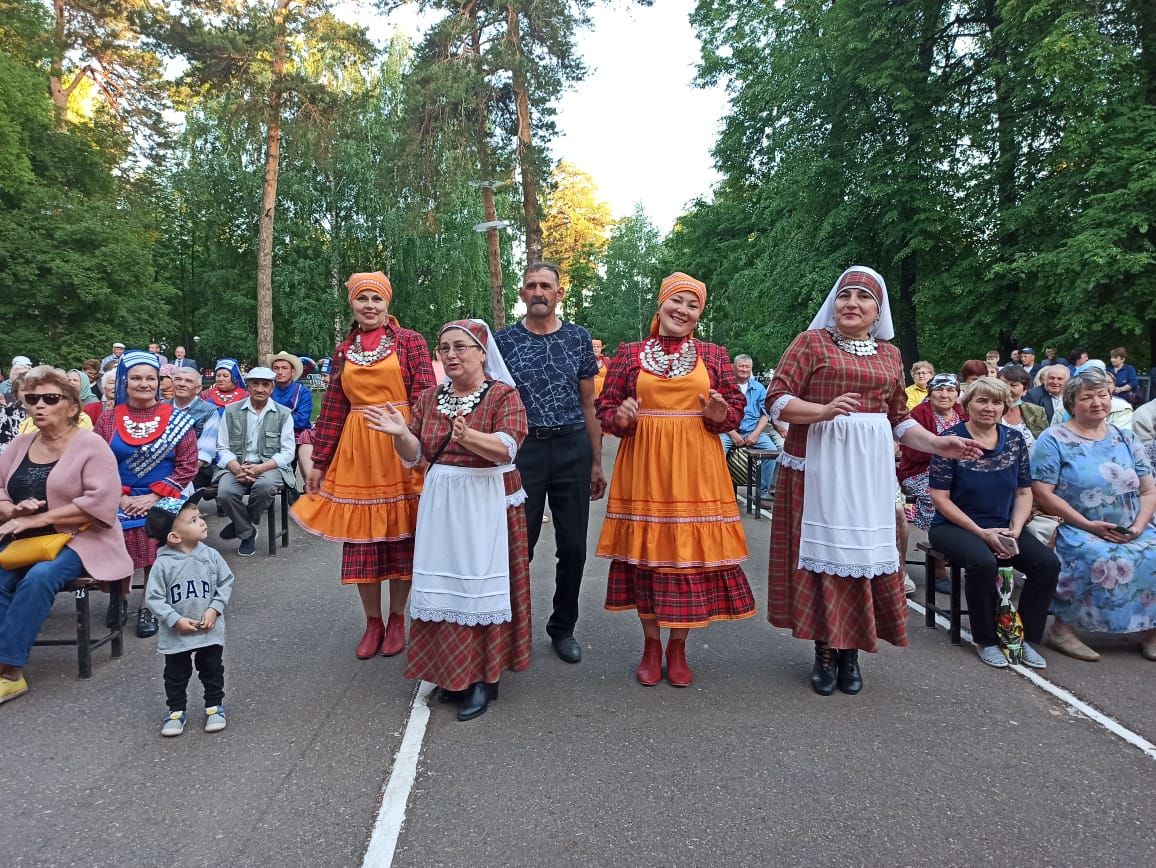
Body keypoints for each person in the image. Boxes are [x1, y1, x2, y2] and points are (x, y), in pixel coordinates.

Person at [766, 266, 981, 696]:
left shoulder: (889, 354)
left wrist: (940, 445)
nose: (852, 303)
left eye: (863, 297)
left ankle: (853, 651)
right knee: (822, 554)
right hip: (816, 463)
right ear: (834, 303)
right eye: (845, 295)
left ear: (877, 310)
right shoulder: (812, 343)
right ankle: (825, 649)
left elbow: (899, 419)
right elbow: (778, 400)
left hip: (868, 469)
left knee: (863, 556)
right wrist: (823, 411)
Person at [367, 319, 531, 721]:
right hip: (442, 500)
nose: (452, 355)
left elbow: (507, 448)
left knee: (478, 588)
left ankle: (483, 678)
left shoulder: (502, 396)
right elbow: (416, 453)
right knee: (444, 583)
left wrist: (469, 436)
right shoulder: (429, 397)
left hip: (487, 499)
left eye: (461, 347)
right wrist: (397, 434)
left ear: (481, 352)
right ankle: (451, 671)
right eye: (445, 348)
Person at [596, 273, 755, 687]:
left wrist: (720, 416)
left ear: (699, 314)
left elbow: (734, 409)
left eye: (693, 305)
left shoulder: (714, 354)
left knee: (687, 560)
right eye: (677, 302)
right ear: (662, 303)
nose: (683, 311)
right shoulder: (630, 353)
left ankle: (678, 647)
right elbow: (605, 408)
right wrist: (622, 419)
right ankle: (651, 645)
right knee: (647, 556)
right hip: (644, 466)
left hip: (696, 466)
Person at [292, 272, 435, 659]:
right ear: (352, 304)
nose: (369, 306)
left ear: (388, 303)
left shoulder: (410, 342)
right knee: (361, 541)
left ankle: (399, 617)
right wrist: (320, 462)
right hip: (357, 450)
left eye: (376, 298)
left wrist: (422, 446)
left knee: (402, 535)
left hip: (400, 445)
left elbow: (424, 396)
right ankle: (373, 622)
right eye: (362, 299)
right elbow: (335, 408)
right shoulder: (343, 350)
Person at [0, 366, 133, 704]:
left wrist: (40, 518)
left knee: (39, 578)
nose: (39, 405)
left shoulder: (92, 446)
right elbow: (0, 489)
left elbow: (99, 501)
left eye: (50, 398)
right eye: (32, 399)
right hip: (23, 540)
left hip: (80, 538)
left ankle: (10, 671)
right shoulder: (19, 445)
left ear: (72, 407)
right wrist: (13, 511)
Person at [495, 262, 606, 664]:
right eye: (531, 286)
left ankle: (563, 627)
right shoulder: (503, 341)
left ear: (559, 293)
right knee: (518, 545)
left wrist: (596, 461)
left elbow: (589, 403)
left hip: (572, 446)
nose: (538, 291)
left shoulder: (578, 338)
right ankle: (509, 628)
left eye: (546, 286)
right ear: (522, 294)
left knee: (574, 546)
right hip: (524, 450)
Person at [927, 377, 1059, 669]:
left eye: (996, 402)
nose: (989, 408)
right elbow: (940, 498)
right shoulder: (951, 440)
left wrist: (1015, 528)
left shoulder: (1014, 441)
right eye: (982, 401)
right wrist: (981, 533)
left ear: (1005, 406)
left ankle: (1024, 638)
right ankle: (985, 639)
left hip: (1004, 524)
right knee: (983, 563)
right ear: (967, 404)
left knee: (1047, 565)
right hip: (954, 527)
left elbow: (1024, 491)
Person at [1030, 368, 1156, 661]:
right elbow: (1042, 492)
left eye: (1103, 395)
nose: (1097, 402)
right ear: (1072, 404)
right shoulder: (1054, 439)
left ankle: (1149, 629)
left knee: (1153, 551)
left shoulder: (1125, 437)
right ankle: (1064, 631)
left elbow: (1149, 490)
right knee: (1098, 556)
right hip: (1076, 525)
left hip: (1129, 524)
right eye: (1087, 397)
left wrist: (1138, 526)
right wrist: (1088, 524)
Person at [95, 351, 199, 638]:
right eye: (136, 378)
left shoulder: (178, 419)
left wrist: (153, 497)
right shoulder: (107, 420)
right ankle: (118, 595)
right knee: (106, 528)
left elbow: (188, 466)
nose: (144, 384)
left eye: (150, 378)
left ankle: (149, 604)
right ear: (124, 383)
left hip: (164, 494)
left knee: (159, 524)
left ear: (159, 382)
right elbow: (97, 464)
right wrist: (120, 497)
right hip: (116, 494)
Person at [144, 494, 233, 736]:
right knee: (176, 674)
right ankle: (175, 711)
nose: (202, 522)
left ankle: (214, 707)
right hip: (177, 632)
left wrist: (215, 608)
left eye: (200, 517)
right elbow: (154, 598)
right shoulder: (163, 565)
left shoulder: (211, 555)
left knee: (212, 668)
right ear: (174, 536)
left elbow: (225, 582)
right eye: (194, 520)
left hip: (209, 628)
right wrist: (174, 620)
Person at [215, 367, 295, 557]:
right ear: (248, 386)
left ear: (272, 388)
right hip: (238, 464)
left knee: (265, 486)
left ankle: (240, 524)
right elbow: (222, 447)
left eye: (265, 384)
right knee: (225, 492)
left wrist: (261, 468)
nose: (260, 389)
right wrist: (235, 467)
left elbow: (288, 452)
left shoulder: (283, 414)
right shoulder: (231, 410)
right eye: (255, 384)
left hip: (269, 466)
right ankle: (247, 532)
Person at [899, 373, 966, 534]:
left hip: (960, 471)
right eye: (939, 390)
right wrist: (946, 454)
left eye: (950, 390)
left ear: (957, 393)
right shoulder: (918, 414)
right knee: (938, 494)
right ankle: (937, 535)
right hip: (921, 471)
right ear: (930, 392)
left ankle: (966, 535)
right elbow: (912, 453)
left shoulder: (963, 413)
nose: (944, 395)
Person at [720, 353, 778, 498]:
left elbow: (766, 414)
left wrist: (755, 434)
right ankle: (721, 492)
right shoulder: (725, 386)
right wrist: (733, 434)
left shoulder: (759, 388)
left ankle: (762, 493)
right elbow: (718, 414)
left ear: (751, 368)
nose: (744, 369)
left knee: (771, 451)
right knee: (716, 452)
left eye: (747, 367)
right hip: (728, 431)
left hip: (753, 431)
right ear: (733, 367)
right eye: (741, 366)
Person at [268, 351, 315, 484]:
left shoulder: (303, 392)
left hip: (297, 436)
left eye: (284, 368)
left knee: (304, 448)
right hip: (270, 436)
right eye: (276, 368)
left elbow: (302, 420)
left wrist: (274, 420)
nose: (279, 372)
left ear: (293, 372)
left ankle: (305, 488)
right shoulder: (267, 390)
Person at [169, 367, 219, 490]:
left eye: (188, 381)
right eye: (178, 379)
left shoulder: (209, 411)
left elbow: (205, 453)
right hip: (162, 467)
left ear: (198, 388)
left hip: (196, 470)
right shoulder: (161, 407)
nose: (181, 384)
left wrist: (178, 474)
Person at [997, 365, 1045, 445]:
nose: (1007, 389)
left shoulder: (1037, 411)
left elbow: (1044, 441)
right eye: (1002, 384)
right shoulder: (989, 411)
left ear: (1024, 390)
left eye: (1013, 385)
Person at [0, 374, 26, 455]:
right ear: (16, 393)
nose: (29, 393)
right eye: (24, 390)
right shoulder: (9, 411)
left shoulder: (44, 410)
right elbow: (4, 438)